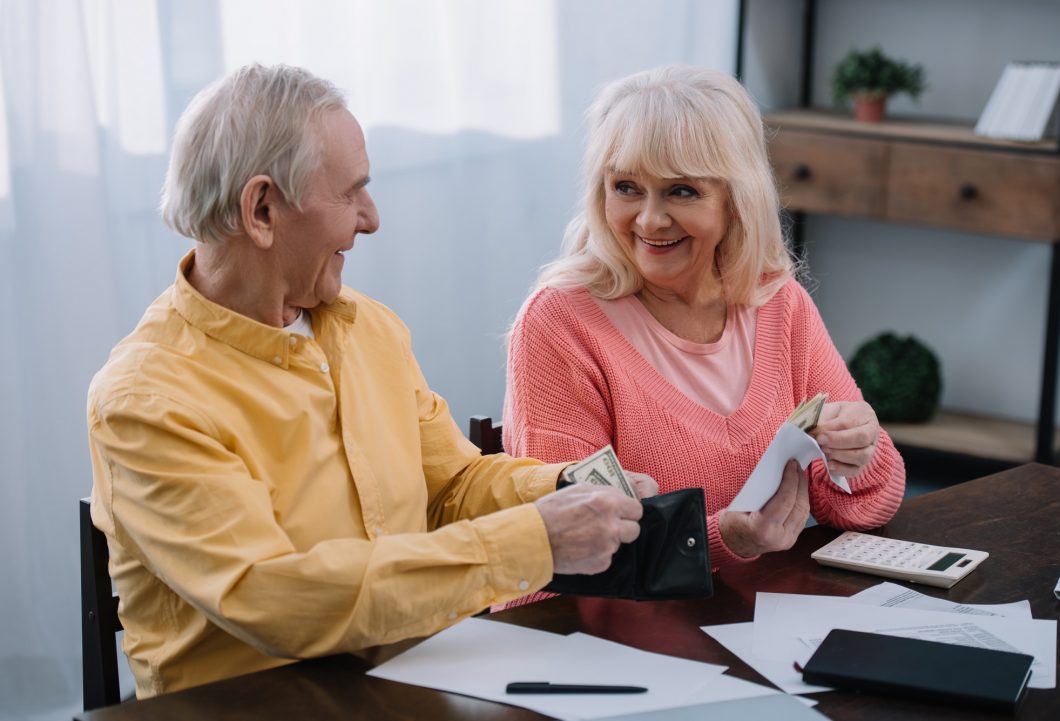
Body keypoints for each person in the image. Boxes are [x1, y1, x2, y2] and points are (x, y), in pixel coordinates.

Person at [86, 64, 656, 699]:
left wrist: (567, 487)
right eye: (351, 192)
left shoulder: (368, 330)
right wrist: (531, 541)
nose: (372, 217)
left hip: (421, 689)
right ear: (263, 209)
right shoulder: (146, 400)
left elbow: (452, 487)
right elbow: (271, 595)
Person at [500, 65, 905, 607]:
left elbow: (864, 508)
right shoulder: (560, 323)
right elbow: (572, 556)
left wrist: (859, 452)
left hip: (747, 621)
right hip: (593, 641)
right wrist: (723, 540)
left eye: (681, 192)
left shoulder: (778, 303)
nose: (649, 220)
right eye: (626, 187)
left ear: (735, 199)